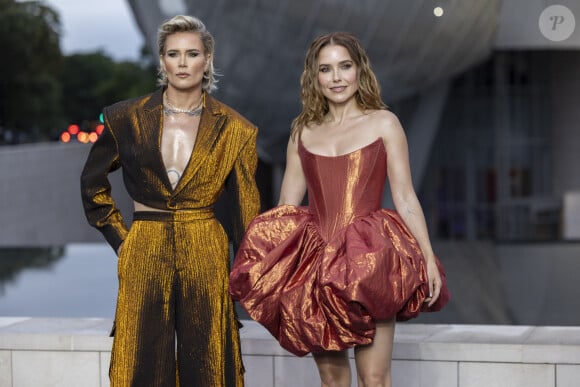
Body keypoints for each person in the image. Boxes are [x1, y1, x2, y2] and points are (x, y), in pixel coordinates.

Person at [229, 31, 449, 387]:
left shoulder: (384, 122)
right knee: (332, 381)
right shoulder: (302, 132)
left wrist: (426, 256)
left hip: (372, 262)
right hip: (319, 269)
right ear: (314, 77)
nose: (336, 77)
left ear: (359, 70)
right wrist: (274, 274)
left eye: (344, 66)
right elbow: (286, 210)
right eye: (325, 69)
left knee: (374, 378)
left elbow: (406, 196)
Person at [80, 15, 260, 386]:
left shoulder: (237, 129)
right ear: (161, 60)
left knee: (208, 360)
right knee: (140, 359)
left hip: (205, 244)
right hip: (144, 242)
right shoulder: (124, 118)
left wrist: (253, 278)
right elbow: (92, 186)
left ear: (207, 60)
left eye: (191, 53)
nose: (182, 62)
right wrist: (123, 242)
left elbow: (247, 214)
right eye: (173, 54)